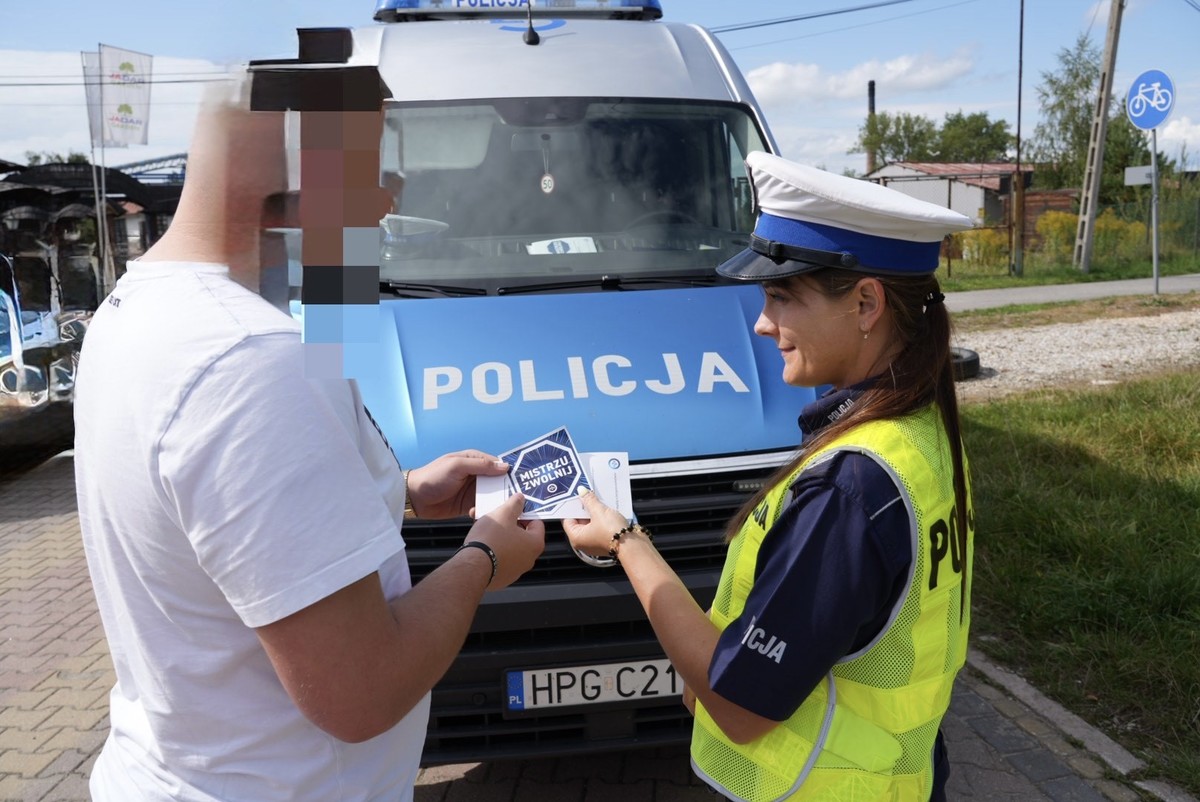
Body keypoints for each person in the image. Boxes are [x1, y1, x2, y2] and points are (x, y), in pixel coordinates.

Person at [72, 75, 545, 801]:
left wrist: (399, 491)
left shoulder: (135, 311)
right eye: (368, 167)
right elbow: (361, 692)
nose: (386, 202)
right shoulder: (251, 358)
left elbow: (221, 527)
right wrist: (483, 557)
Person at [564, 151, 976, 802]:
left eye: (781, 296)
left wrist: (626, 543)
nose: (762, 323)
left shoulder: (849, 488)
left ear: (866, 302)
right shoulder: (918, 429)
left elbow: (738, 706)